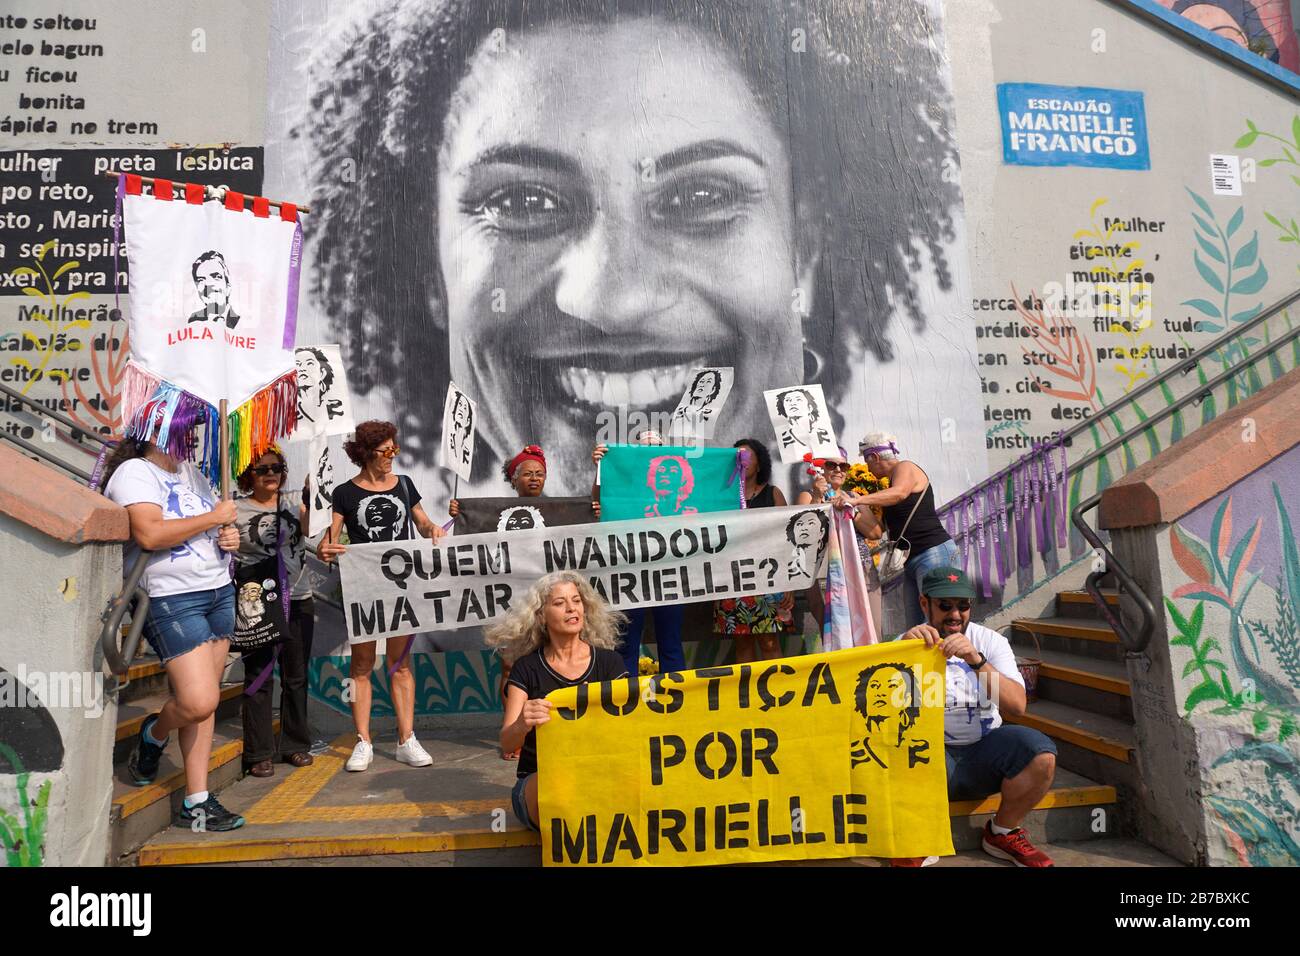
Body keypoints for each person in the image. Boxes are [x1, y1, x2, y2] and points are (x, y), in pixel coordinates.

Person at [303, 0, 962, 496]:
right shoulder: (441, 625)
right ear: (432, 272)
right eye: (522, 203)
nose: (612, 300)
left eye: (702, 197)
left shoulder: (845, 538)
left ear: (806, 249)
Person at [102, 437, 246, 832]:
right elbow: (150, 535)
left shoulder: (192, 473)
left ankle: (197, 801)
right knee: (199, 701)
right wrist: (214, 519)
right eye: (188, 424)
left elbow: (217, 526)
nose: (197, 433)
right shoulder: (134, 472)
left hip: (218, 589)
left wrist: (228, 537)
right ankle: (154, 732)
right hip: (170, 598)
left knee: (207, 702)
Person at [895, 567, 1057, 867]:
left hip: (984, 752)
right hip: (931, 759)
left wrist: (976, 661)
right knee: (900, 747)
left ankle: (1002, 832)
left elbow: (1017, 707)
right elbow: (887, 721)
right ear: (923, 603)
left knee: (1040, 753)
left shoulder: (990, 643)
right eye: (945, 605)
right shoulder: (905, 643)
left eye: (963, 605)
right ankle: (921, 835)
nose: (955, 614)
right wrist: (905, 656)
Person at [318, 420, 447, 771]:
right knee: (361, 665)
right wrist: (326, 548)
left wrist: (432, 528)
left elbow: (420, 521)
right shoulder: (345, 492)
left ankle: (407, 739)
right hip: (362, 586)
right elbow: (331, 538)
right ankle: (364, 740)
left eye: (395, 449)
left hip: (400, 584)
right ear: (364, 453)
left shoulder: (404, 485)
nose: (392, 456)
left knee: (400, 663)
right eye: (384, 451)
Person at [487, 571, 628, 830]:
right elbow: (507, 741)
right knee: (561, 792)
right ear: (541, 616)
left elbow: (628, 732)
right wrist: (523, 723)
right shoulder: (525, 669)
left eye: (576, 600)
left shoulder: (611, 664)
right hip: (540, 782)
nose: (571, 608)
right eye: (559, 603)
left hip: (597, 777)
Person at [232, 447, 314, 777]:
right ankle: (258, 751)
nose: (271, 474)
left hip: (298, 597)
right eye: (262, 468)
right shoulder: (234, 508)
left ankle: (295, 745)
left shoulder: (295, 502)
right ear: (248, 474)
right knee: (260, 676)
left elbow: (309, 530)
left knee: (296, 677)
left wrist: (313, 494)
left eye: (277, 468)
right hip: (257, 603)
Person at [592, 431, 687, 675]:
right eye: (644, 448)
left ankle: (676, 701)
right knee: (626, 643)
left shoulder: (682, 497)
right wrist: (602, 468)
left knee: (671, 642)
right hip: (631, 573)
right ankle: (627, 702)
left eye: (656, 447)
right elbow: (600, 500)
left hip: (669, 573)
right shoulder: (625, 485)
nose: (650, 451)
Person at [844, 431, 958, 629]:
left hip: (933, 553)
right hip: (912, 560)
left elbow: (900, 493)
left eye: (867, 460)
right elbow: (878, 531)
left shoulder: (905, 467)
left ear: (875, 457)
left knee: (939, 621)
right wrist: (854, 508)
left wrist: (858, 500)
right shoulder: (890, 483)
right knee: (916, 627)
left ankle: (953, 660)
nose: (868, 467)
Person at [713, 438, 794, 662]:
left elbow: (787, 539)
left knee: (770, 644)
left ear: (760, 463)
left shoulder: (772, 494)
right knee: (743, 645)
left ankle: (778, 693)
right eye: (738, 456)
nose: (743, 460)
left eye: (748, 456)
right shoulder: (722, 497)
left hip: (769, 578)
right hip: (733, 580)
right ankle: (747, 696)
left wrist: (789, 583)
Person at [187, 250, 240, 329]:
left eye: (216, 277)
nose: (208, 284)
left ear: (228, 286)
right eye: (201, 280)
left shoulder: (241, 322)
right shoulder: (193, 319)